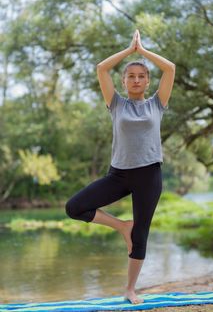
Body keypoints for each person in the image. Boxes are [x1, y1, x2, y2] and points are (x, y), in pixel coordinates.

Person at [65, 29, 175, 304]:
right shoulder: (115, 104)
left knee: (142, 235)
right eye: (131, 76)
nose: (136, 80)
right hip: (119, 174)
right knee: (74, 207)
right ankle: (121, 226)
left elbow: (170, 68)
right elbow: (102, 68)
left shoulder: (157, 105)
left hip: (149, 174)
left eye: (141, 76)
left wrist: (144, 51)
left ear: (148, 82)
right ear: (124, 81)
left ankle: (130, 289)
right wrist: (130, 50)